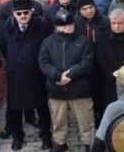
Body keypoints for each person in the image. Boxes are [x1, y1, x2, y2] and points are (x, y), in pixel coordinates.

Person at [0, 0, 54, 150]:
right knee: (15, 107)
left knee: (41, 106)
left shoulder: (42, 25)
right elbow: (4, 48)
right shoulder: (5, 27)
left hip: (37, 73)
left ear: (31, 12)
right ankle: (18, 136)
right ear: (13, 14)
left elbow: (48, 46)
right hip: (15, 74)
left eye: (25, 13)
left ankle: (46, 135)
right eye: (19, 13)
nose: (22, 16)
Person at [39, 9, 95, 152]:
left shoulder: (84, 41)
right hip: (56, 88)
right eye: (63, 26)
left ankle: (89, 142)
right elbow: (43, 63)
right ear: (56, 27)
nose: (68, 28)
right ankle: (60, 142)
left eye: (70, 24)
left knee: (86, 120)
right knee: (58, 120)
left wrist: (70, 75)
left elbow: (87, 63)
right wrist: (57, 76)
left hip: (79, 89)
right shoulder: (48, 42)